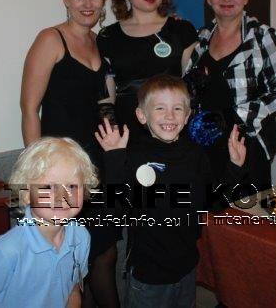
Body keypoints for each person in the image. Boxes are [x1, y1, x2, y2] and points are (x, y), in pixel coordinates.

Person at [94, 74, 245, 307]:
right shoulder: (133, 157)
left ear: (187, 116)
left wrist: (234, 167)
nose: (170, 115)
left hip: (187, 269)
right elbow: (114, 213)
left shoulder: (196, 156)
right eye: (160, 108)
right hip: (148, 276)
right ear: (142, 115)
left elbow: (213, 203)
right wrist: (114, 158)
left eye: (177, 108)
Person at [19, 0, 120, 307]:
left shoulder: (98, 42)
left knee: (102, 254)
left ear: (104, 1)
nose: (87, 4)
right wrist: (36, 176)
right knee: (76, 263)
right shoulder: (51, 39)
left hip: (97, 166)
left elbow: (101, 102)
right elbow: (29, 109)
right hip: (61, 170)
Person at [183, 0, 276, 194]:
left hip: (247, 144)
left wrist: (233, 116)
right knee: (209, 210)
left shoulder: (262, 37)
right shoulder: (201, 38)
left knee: (245, 212)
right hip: (204, 145)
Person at [0, 137, 99, 307]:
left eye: (72, 186)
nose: (62, 197)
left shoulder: (81, 238)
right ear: (26, 194)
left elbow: (73, 289)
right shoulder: (8, 250)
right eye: (49, 187)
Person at [97, 0, 198, 138]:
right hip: (127, 134)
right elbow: (106, 97)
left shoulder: (182, 30)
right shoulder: (108, 36)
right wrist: (112, 135)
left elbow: (194, 89)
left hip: (172, 131)